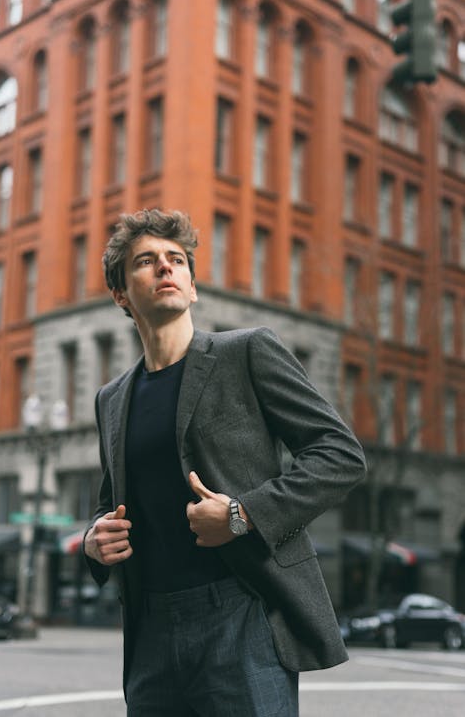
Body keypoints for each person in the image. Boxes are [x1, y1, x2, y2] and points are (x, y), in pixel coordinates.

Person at [84, 208, 367, 717]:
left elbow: (339, 455)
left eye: (176, 260)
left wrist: (243, 515)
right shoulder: (111, 398)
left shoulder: (247, 353)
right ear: (121, 294)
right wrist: (93, 540)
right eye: (146, 261)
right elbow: (111, 505)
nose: (166, 268)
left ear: (192, 286)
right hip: (150, 628)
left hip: (243, 613)